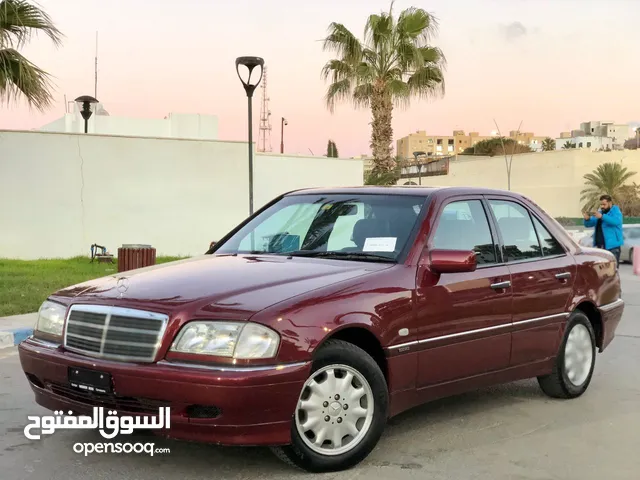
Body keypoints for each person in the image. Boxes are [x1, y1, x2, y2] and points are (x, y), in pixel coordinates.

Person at [583, 195, 623, 267]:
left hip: (612, 247)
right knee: (602, 271)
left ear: (610, 203)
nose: (602, 206)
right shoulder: (600, 213)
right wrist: (587, 219)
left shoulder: (616, 211)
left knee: (612, 269)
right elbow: (589, 224)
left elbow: (616, 221)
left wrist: (602, 216)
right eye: (601, 204)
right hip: (600, 247)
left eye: (604, 204)